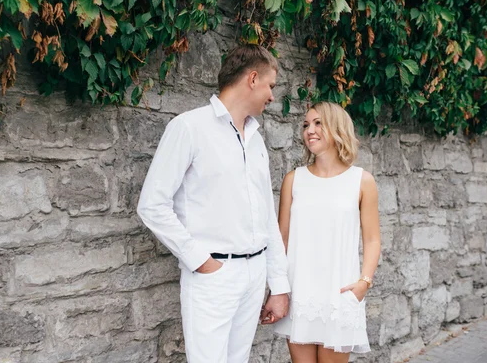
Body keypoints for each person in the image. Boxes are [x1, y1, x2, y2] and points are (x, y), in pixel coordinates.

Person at [137, 44, 290, 363]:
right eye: (271, 86)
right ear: (252, 78)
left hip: (255, 273)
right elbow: (152, 205)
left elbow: (266, 217)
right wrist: (201, 261)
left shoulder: (256, 139)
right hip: (213, 275)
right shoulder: (189, 127)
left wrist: (278, 285)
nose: (272, 96)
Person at [272, 101, 381, 363]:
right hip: (300, 293)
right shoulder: (293, 180)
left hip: (340, 294)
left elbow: (372, 238)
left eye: (318, 123)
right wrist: (276, 288)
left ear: (337, 128)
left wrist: (364, 283)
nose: (309, 130)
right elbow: (281, 239)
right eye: (306, 124)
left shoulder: (362, 180)